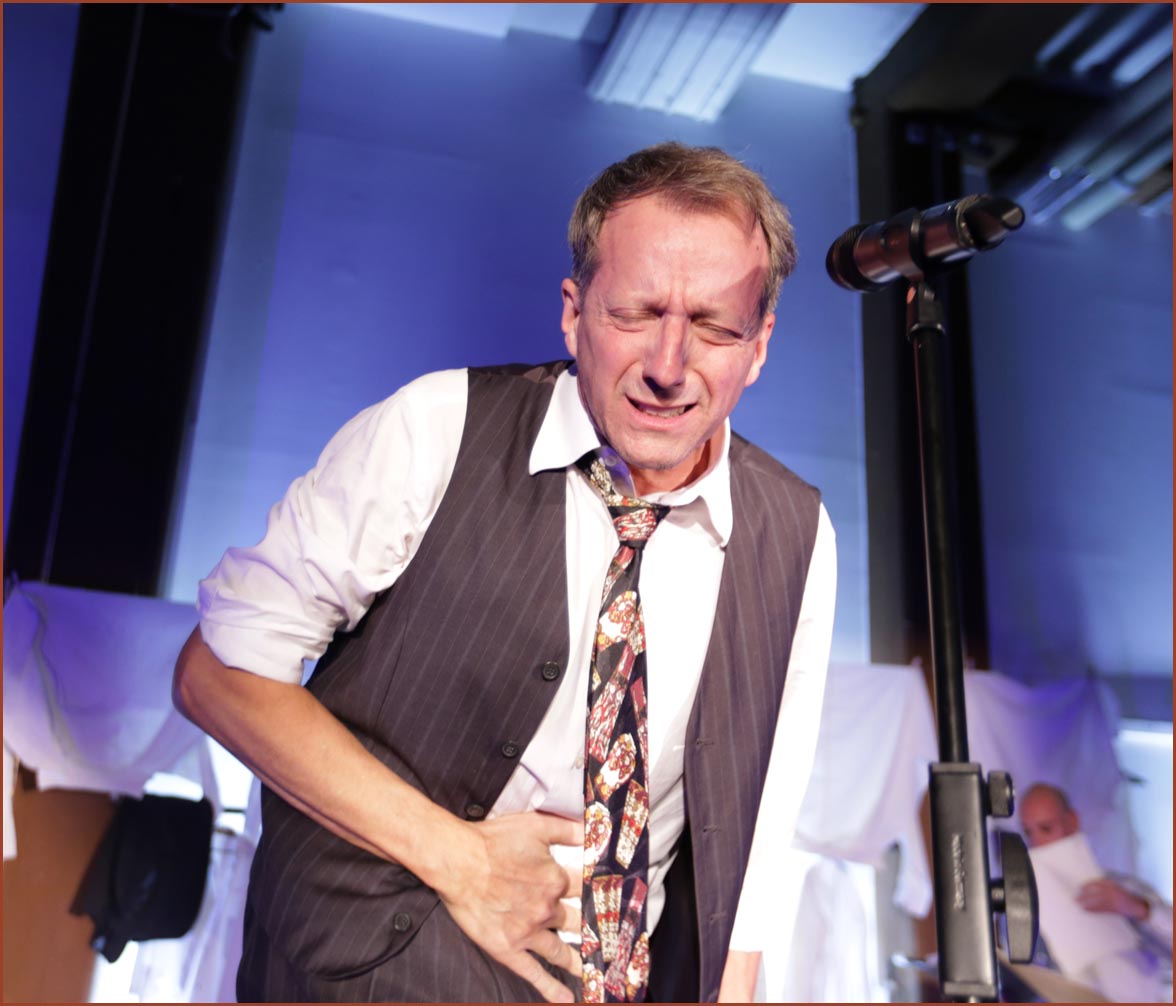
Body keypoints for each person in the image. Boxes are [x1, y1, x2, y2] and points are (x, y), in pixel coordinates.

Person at [173, 142, 836, 1003]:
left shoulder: (795, 531)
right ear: (573, 313)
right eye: (635, 313)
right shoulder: (434, 428)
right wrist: (460, 861)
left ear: (760, 344)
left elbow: (758, 819)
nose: (669, 365)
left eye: (714, 326)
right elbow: (217, 674)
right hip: (366, 971)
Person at [1019, 782, 1172, 1002]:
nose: (1036, 842)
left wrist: (1135, 907)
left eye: (1046, 829)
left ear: (1072, 821)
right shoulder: (1024, 911)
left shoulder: (1123, 888)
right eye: (1028, 833)